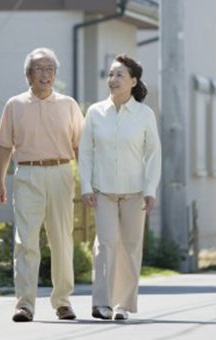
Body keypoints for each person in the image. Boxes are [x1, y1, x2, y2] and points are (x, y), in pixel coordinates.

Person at [0, 47, 83, 322]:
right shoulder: (15, 105)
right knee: (26, 242)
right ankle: (25, 304)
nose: (45, 74)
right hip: (27, 174)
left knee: (61, 239)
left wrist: (87, 183)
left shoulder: (68, 104)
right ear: (28, 75)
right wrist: (0, 182)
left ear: (55, 74)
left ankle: (63, 302)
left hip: (60, 172)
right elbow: (4, 147)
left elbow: (80, 147)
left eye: (50, 69)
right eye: (39, 69)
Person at [78, 54, 161, 321]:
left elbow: (153, 154)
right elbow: (86, 152)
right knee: (105, 245)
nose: (112, 80)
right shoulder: (94, 112)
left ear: (133, 81)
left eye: (119, 75)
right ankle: (101, 303)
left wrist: (150, 189)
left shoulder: (144, 114)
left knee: (131, 247)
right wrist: (86, 186)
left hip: (135, 192)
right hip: (103, 191)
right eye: (110, 74)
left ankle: (122, 305)